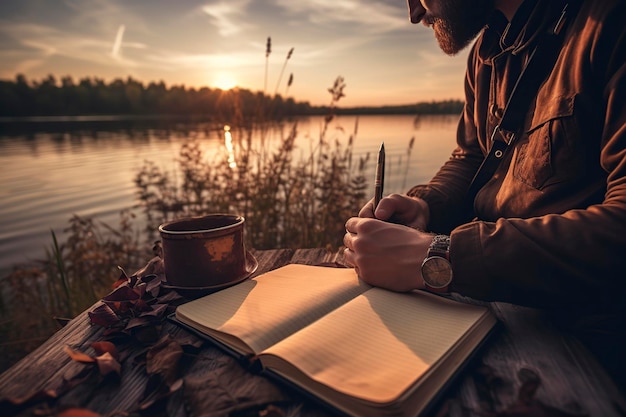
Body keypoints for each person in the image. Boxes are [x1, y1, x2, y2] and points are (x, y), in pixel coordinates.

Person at [343, 0, 626, 391]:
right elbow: (473, 157)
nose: (414, 12)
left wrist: (441, 256)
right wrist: (426, 205)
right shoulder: (486, 53)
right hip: (492, 307)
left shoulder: (611, 21)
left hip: (588, 344)